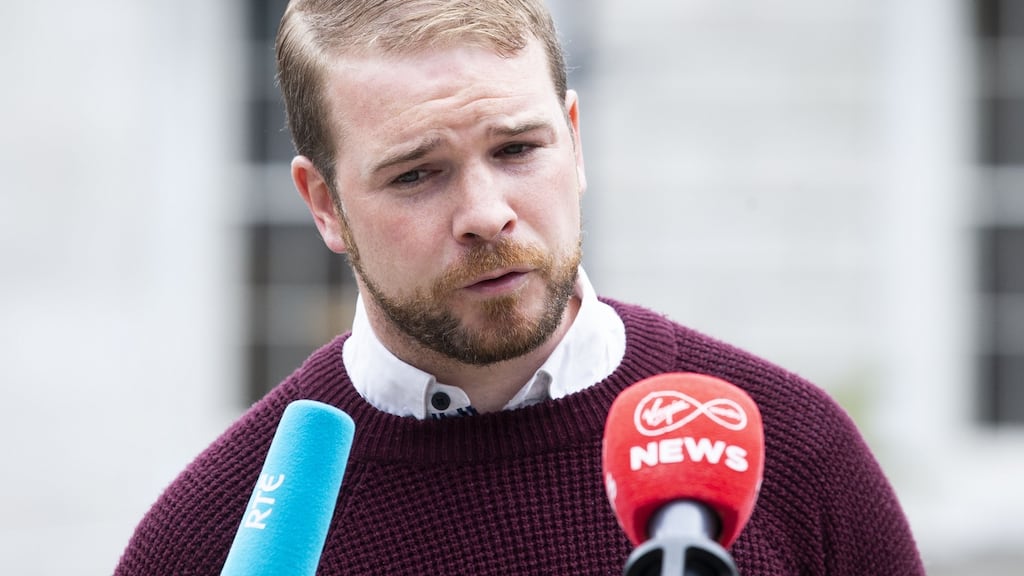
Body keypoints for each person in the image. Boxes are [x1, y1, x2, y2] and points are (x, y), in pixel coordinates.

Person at [115, 0, 926, 574]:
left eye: (516, 150)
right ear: (324, 204)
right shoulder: (216, 537)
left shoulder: (794, 455)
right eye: (417, 174)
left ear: (574, 141)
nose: (486, 214)